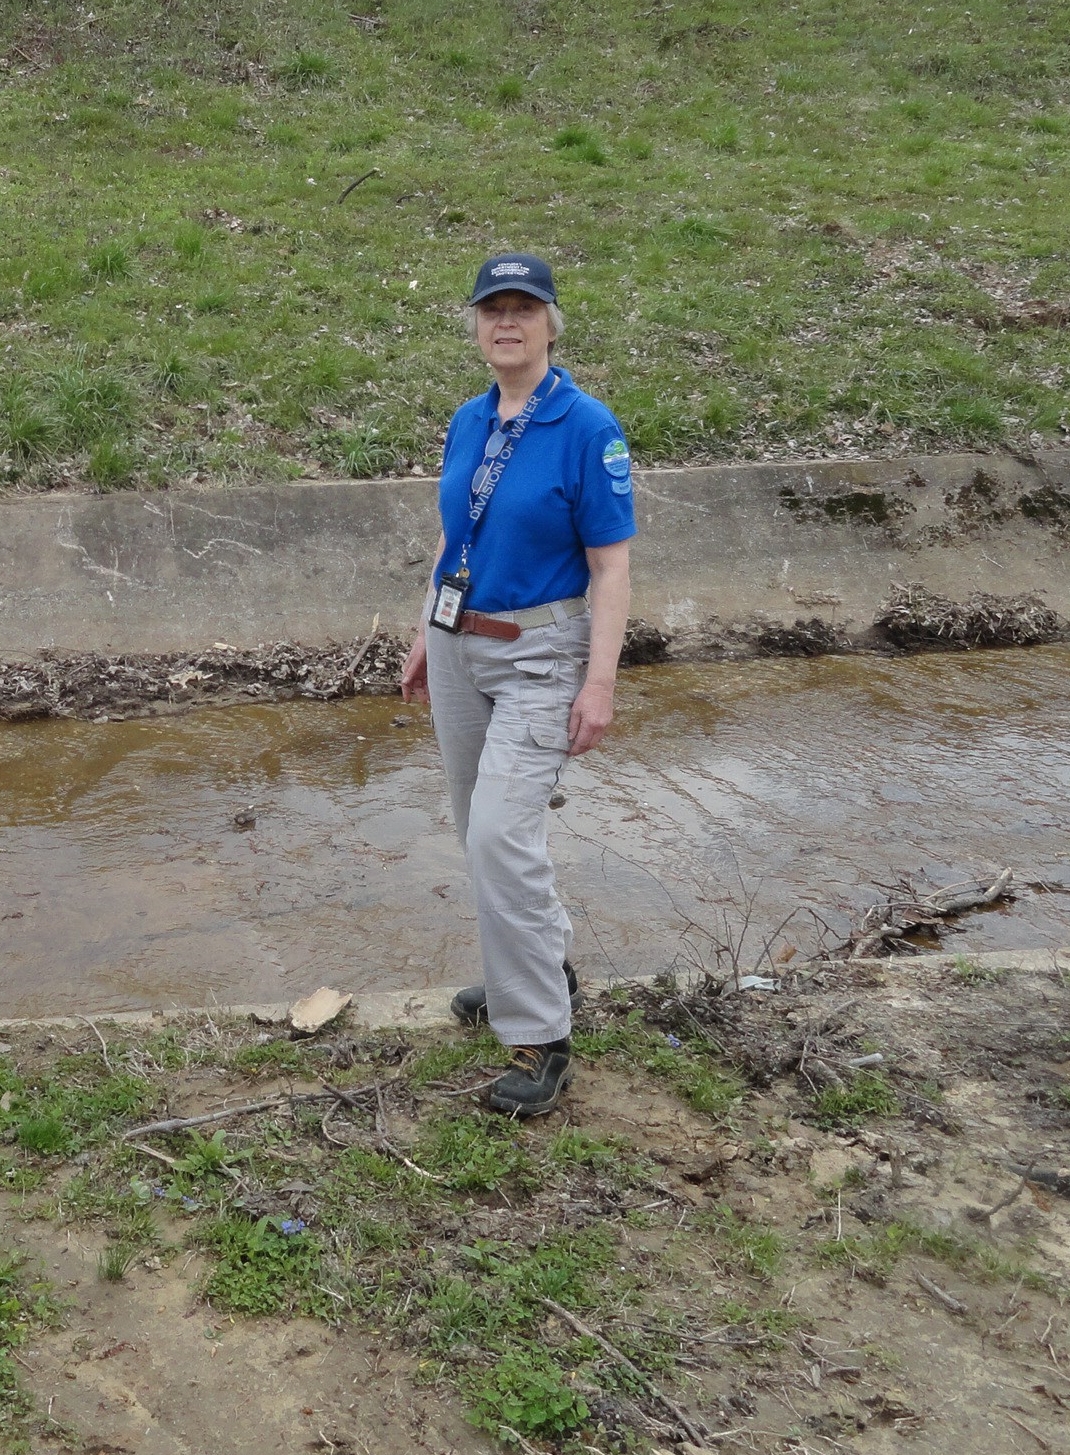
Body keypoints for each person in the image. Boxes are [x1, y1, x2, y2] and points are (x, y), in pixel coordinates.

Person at [400, 251, 635, 1117]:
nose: (507, 322)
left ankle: (541, 1036)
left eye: (523, 308)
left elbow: (611, 568)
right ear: (475, 325)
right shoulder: (469, 419)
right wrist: (425, 630)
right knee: (478, 829)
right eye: (492, 308)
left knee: (503, 834)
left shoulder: (586, 426)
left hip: (542, 654)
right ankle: (541, 968)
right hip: (458, 644)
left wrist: (599, 681)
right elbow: (452, 534)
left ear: (549, 324)